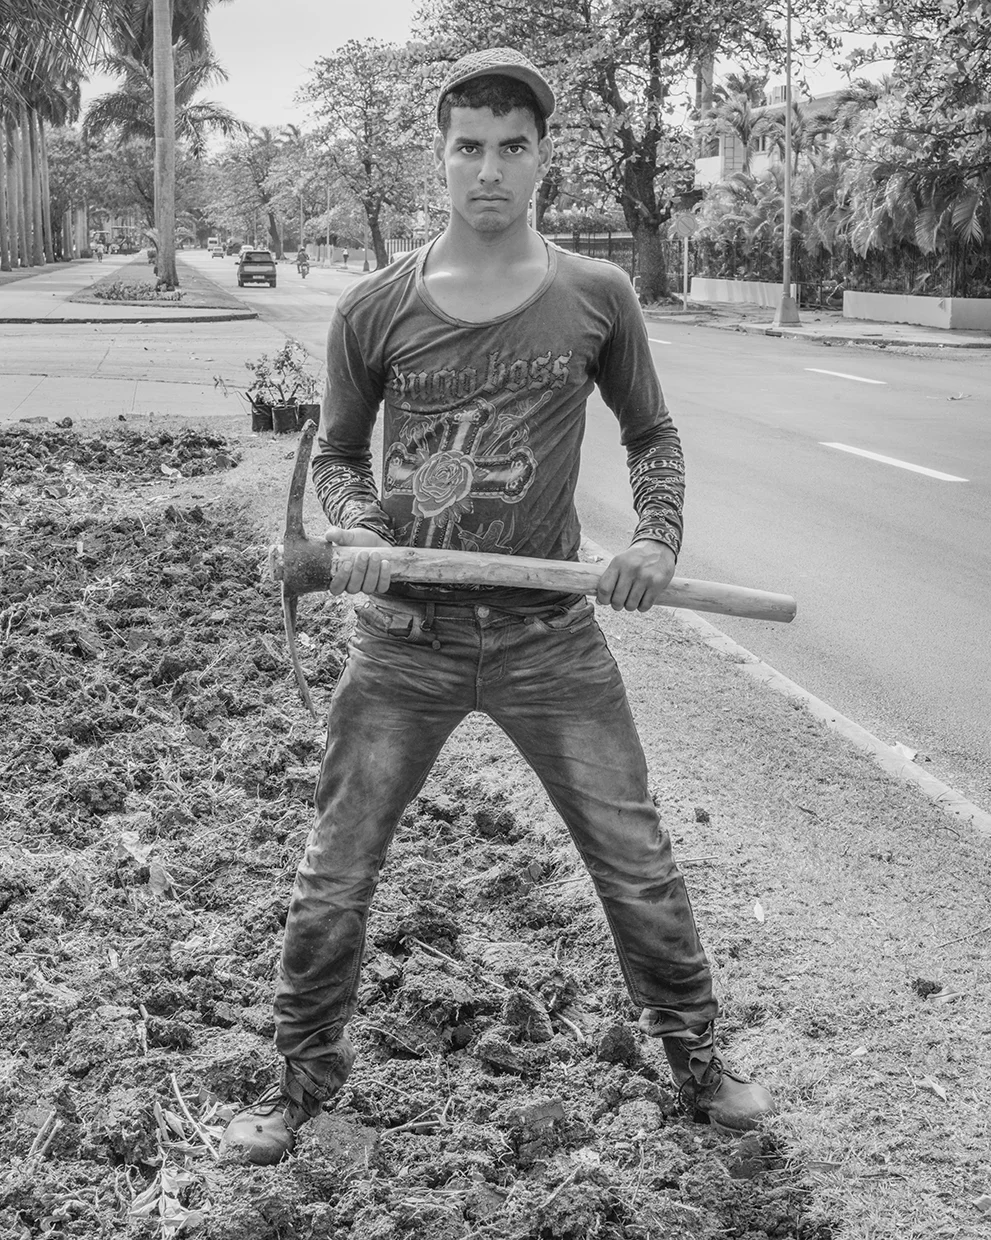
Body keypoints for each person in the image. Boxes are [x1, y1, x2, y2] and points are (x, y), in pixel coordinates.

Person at [220, 46, 774, 1166]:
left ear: (540, 158)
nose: (488, 169)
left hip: (548, 641)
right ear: (439, 156)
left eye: (510, 147)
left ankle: (695, 1053)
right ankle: (299, 1074)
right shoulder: (373, 307)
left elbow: (652, 435)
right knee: (336, 865)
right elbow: (338, 457)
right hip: (404, 642)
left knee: (634, 857)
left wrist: (655, 539)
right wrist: (359, 528)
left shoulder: (595, 296)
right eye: (468, 147)